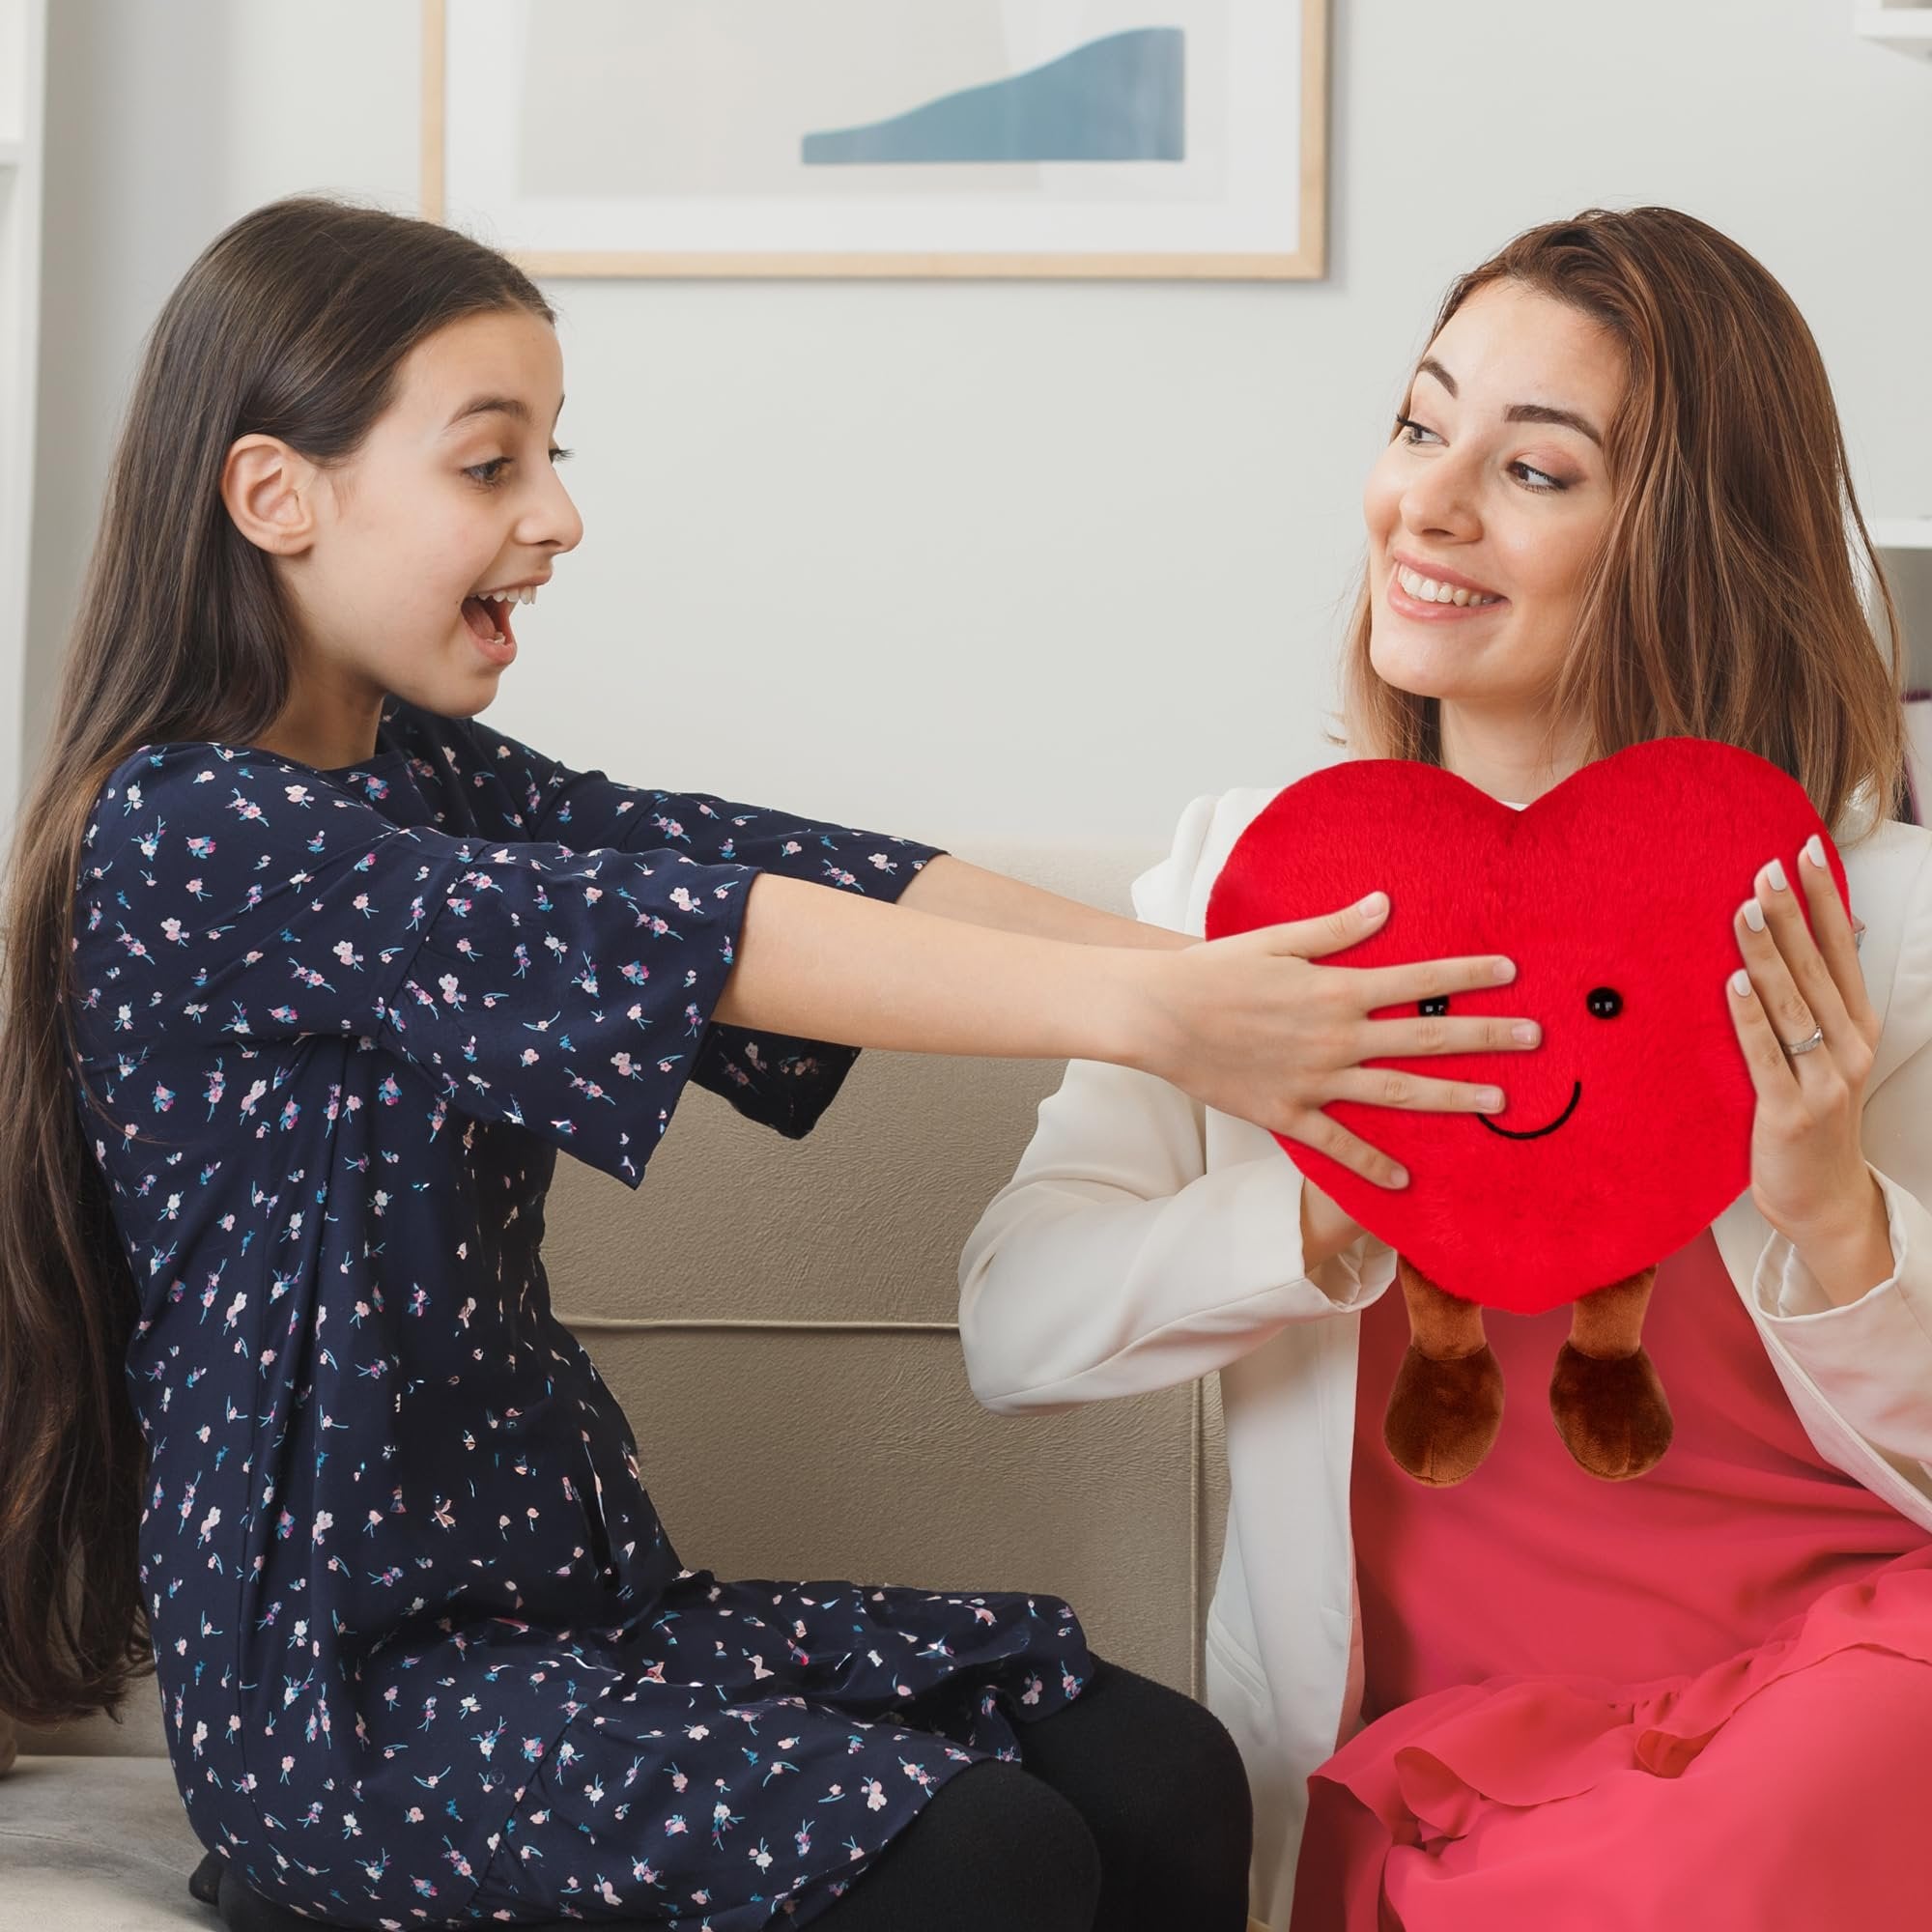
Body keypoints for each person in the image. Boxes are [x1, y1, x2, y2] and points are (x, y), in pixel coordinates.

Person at [0, 192, 1534, 1932]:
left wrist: (1224, 982)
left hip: (584, 1622)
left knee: (1159, 1769)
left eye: (553, 458)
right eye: (491, 466)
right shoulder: (191, 835)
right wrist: (1155, 1021)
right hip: (353, 1715)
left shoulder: (433, 777)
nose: (560, 518)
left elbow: (784, 869)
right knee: (990, 1863)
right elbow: (694, 943)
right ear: (278, 495)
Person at [957, 205, 1932, 1930]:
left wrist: (1837, 1215)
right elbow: (1014, 1327)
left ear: (1687, 545)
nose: (1428, 500)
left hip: (1853, 1695)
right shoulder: (1240, 898)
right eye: (1422, 425)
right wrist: (1322, 1218)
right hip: (1453, 1766)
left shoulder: (1866, 928)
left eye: (1536, 470)